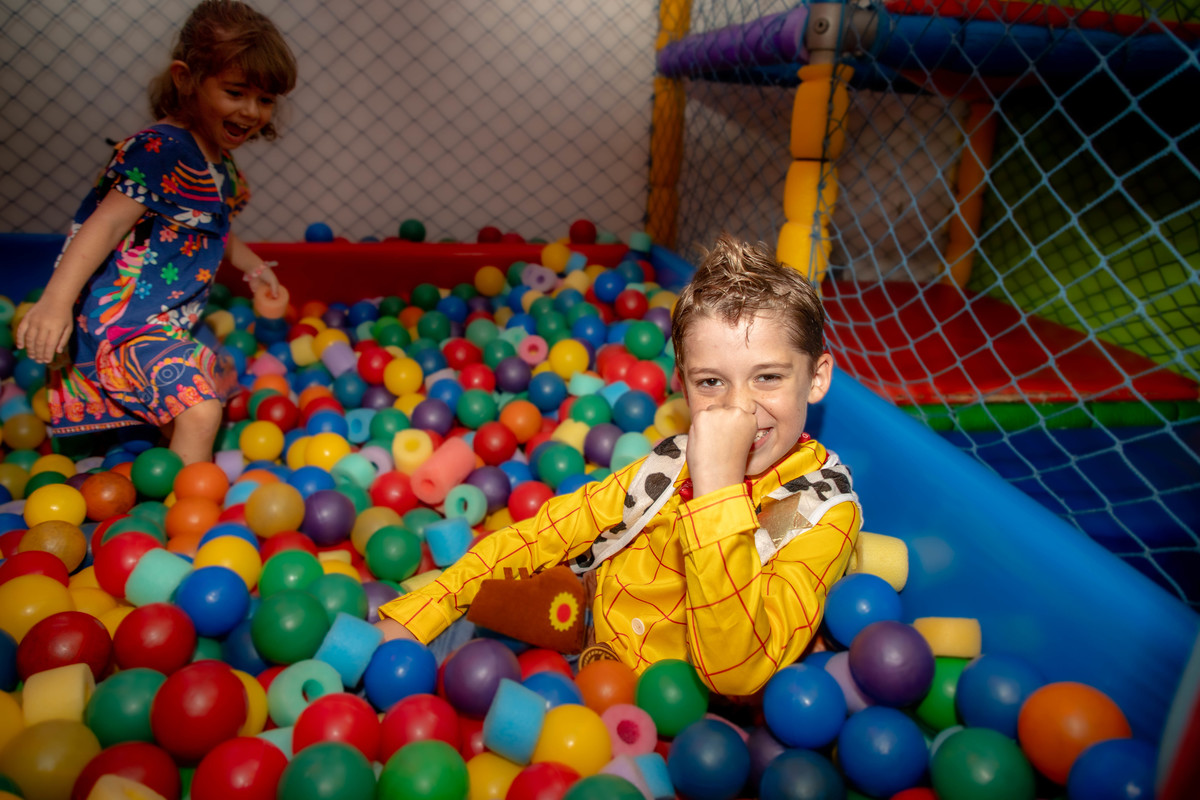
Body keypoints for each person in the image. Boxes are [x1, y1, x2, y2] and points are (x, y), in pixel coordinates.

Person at [377, 235, 863, 696]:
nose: (740, 409)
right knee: (390, 655)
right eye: (711, 382)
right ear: (682, 386)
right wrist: (422, 613)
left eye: (768, 377)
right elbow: (548, 533)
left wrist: (718, 487)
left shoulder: (819, 510)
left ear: (817, 378)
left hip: (675, 709)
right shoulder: (670, 464)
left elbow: (736, 672)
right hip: (578, 629)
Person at [15, 0, 296, 464]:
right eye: (235, 93)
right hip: (126, 323)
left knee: (219, 375)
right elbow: (106, 224)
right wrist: (56, 301)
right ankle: (187, 506)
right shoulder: (161, 151)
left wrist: (256, 269)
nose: (251, 112)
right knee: (201, 410)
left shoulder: (221, 165)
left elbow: (212, 229)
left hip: (171, 319)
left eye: (265, 100)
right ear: (186, 79)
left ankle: (157, 451)